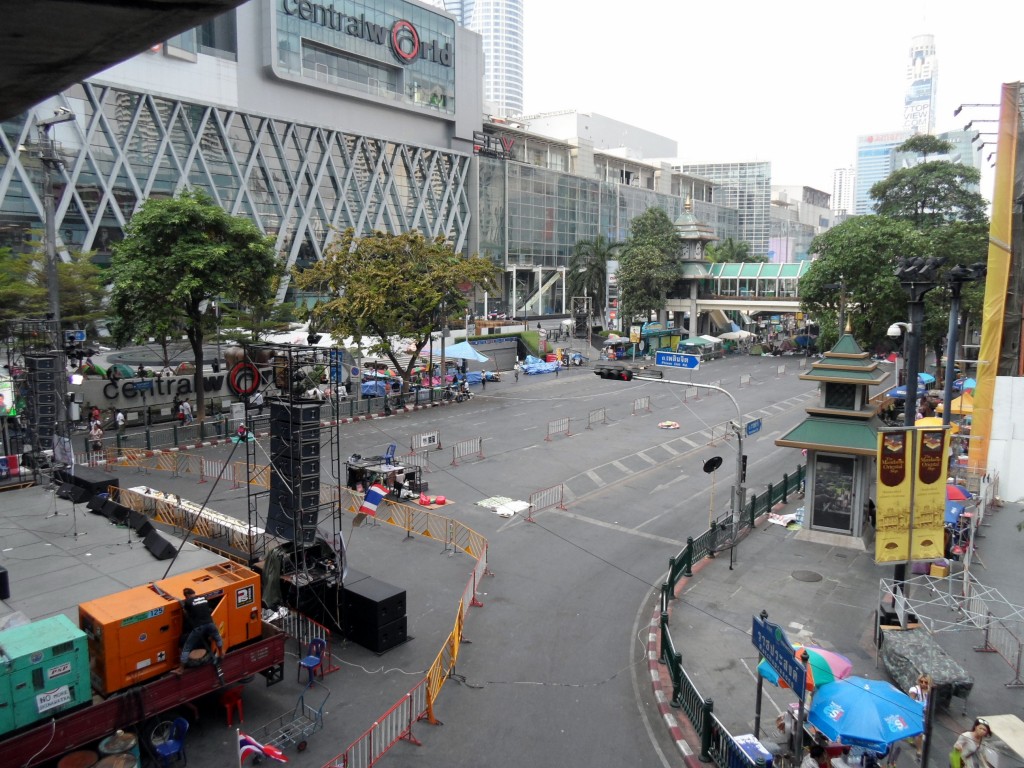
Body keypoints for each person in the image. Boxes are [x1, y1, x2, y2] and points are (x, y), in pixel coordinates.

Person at [175, 587, 224, 673]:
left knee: (187, 647)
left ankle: (181, 669)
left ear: (187, 596)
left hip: (199, 627)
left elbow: (186, 613)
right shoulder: (204, 598)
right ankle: (221, 653)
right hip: (210, 624)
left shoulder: (188, 601)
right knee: (217, 637)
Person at [908, 674, 932, 756]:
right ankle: (919, 750)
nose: (923, 684)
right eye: (921, 681)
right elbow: (911, 703)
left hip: (924, 715)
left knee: (919, 731)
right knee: (920, 734)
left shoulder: (929, 691)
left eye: (926, 682)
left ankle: (911, 737)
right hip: (915, 714)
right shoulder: (915, 690)